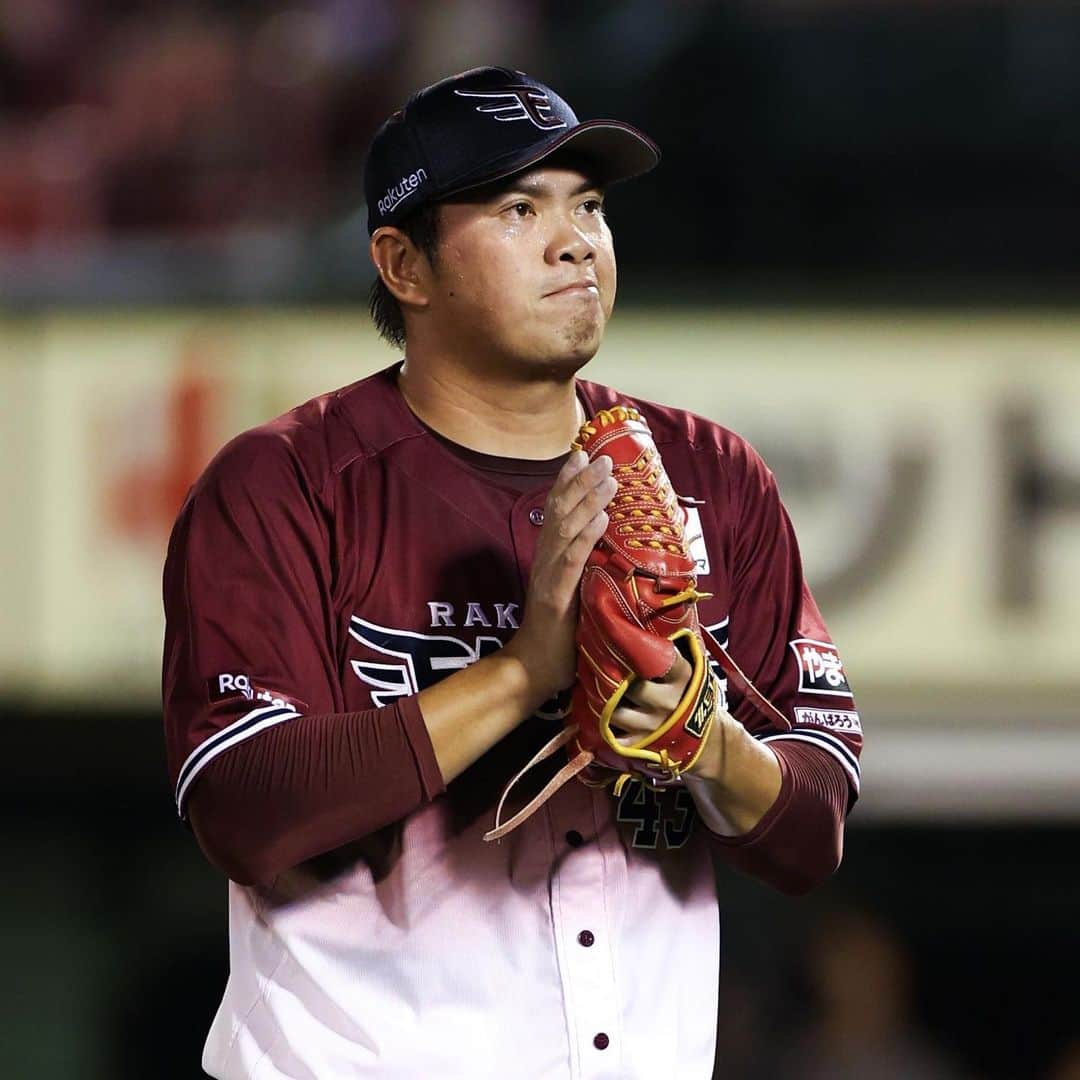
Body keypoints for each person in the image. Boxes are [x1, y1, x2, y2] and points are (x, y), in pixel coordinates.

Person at [162, 66, 863, 1080]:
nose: (574, 240)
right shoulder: (288, 483)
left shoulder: (709, 477)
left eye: (589, 206)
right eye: (518, 208)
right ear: (405, 266)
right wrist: (522, 673)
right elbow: (243, 808)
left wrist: (707, 746)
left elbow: (813, 829)